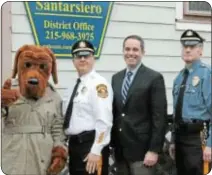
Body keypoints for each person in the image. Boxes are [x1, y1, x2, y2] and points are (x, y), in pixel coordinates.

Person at [111, 35, 167, 175]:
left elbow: (159, 118)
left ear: (143, 52)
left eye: (135, 49)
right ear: (123, 51)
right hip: (120, 151)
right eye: (127, 49)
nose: (131, 53)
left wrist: (154, 150)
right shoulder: (116, 78)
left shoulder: (154, 78)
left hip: (142, 152)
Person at [63, 40, 113, 175]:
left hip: (90, 147)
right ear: (73, 60)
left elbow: (104, 121)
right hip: (74, 146)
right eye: (79, 56)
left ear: (93, 58)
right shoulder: (73, 85)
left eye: (87, 55)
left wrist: (96, 150)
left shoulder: (99, 84)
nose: (83, 59)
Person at [169, 29, 211, 175]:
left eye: (192, 47)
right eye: (184, 46)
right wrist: (174, 140)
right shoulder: (179, 78)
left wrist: (210, 145)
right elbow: (176, 113)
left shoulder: (207, 74)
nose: (187, 49)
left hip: (199, 138)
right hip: (181, 138)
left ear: (200, 51)